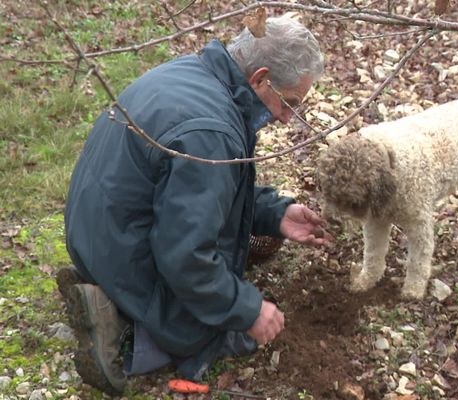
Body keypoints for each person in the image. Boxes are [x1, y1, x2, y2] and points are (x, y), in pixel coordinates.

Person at [57, 16, 329, 395]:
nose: (286, 118)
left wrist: (275, 213)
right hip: (118, 251)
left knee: (225, 269)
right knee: (214, 330)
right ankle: (117, 321)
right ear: (261, 78)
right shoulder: (210, 133)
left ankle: (108, 289)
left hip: (95, 230)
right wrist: (247, 310)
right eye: (289, 104)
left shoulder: (199, 73)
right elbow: (186, 256)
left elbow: (209, 190)